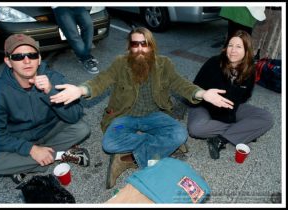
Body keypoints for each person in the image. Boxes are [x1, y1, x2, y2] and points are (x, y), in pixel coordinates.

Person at [49, 27, 234, 188]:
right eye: (135, 44)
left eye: (144, 44)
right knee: (109, 143)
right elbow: (100, 81)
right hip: (124, 117)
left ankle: (131, 159)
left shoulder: (164, 64)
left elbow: (181, 84)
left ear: (151, 46)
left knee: (180, 134)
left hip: (155, 115)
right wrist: (81, 89)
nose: (139, 49)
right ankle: (154, 151)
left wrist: (203, 94)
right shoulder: (120, 64)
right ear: (129, 47)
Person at [0, 34, 91, 184]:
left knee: (82, 129)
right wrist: (30, 149)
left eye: (32, 55)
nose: (27, 61)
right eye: (18, 57)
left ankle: (25, 165)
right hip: (20, 138)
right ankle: (61, 155)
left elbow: (74, 115)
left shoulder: (54, 78)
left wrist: (50, 91)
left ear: (39, 59)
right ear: (8, 61)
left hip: (50, 131)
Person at [187, 30, 274, 160]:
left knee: (267, 118)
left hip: (231, 108)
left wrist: (231, 104)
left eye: (238, 46)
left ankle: (220, 139)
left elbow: (245, 96)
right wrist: (206, 95)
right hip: (203, 106)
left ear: (246, 51)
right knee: (196, 129)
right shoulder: (213, 63)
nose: (233, 50)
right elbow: (193, 89)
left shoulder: (250, 70)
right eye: (230, 45)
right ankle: (243, 130)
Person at [52, 6, 99, 74]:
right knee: (73, 34)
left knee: (89, 26)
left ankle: (85, 54)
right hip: (60, 7)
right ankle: (86, 59)